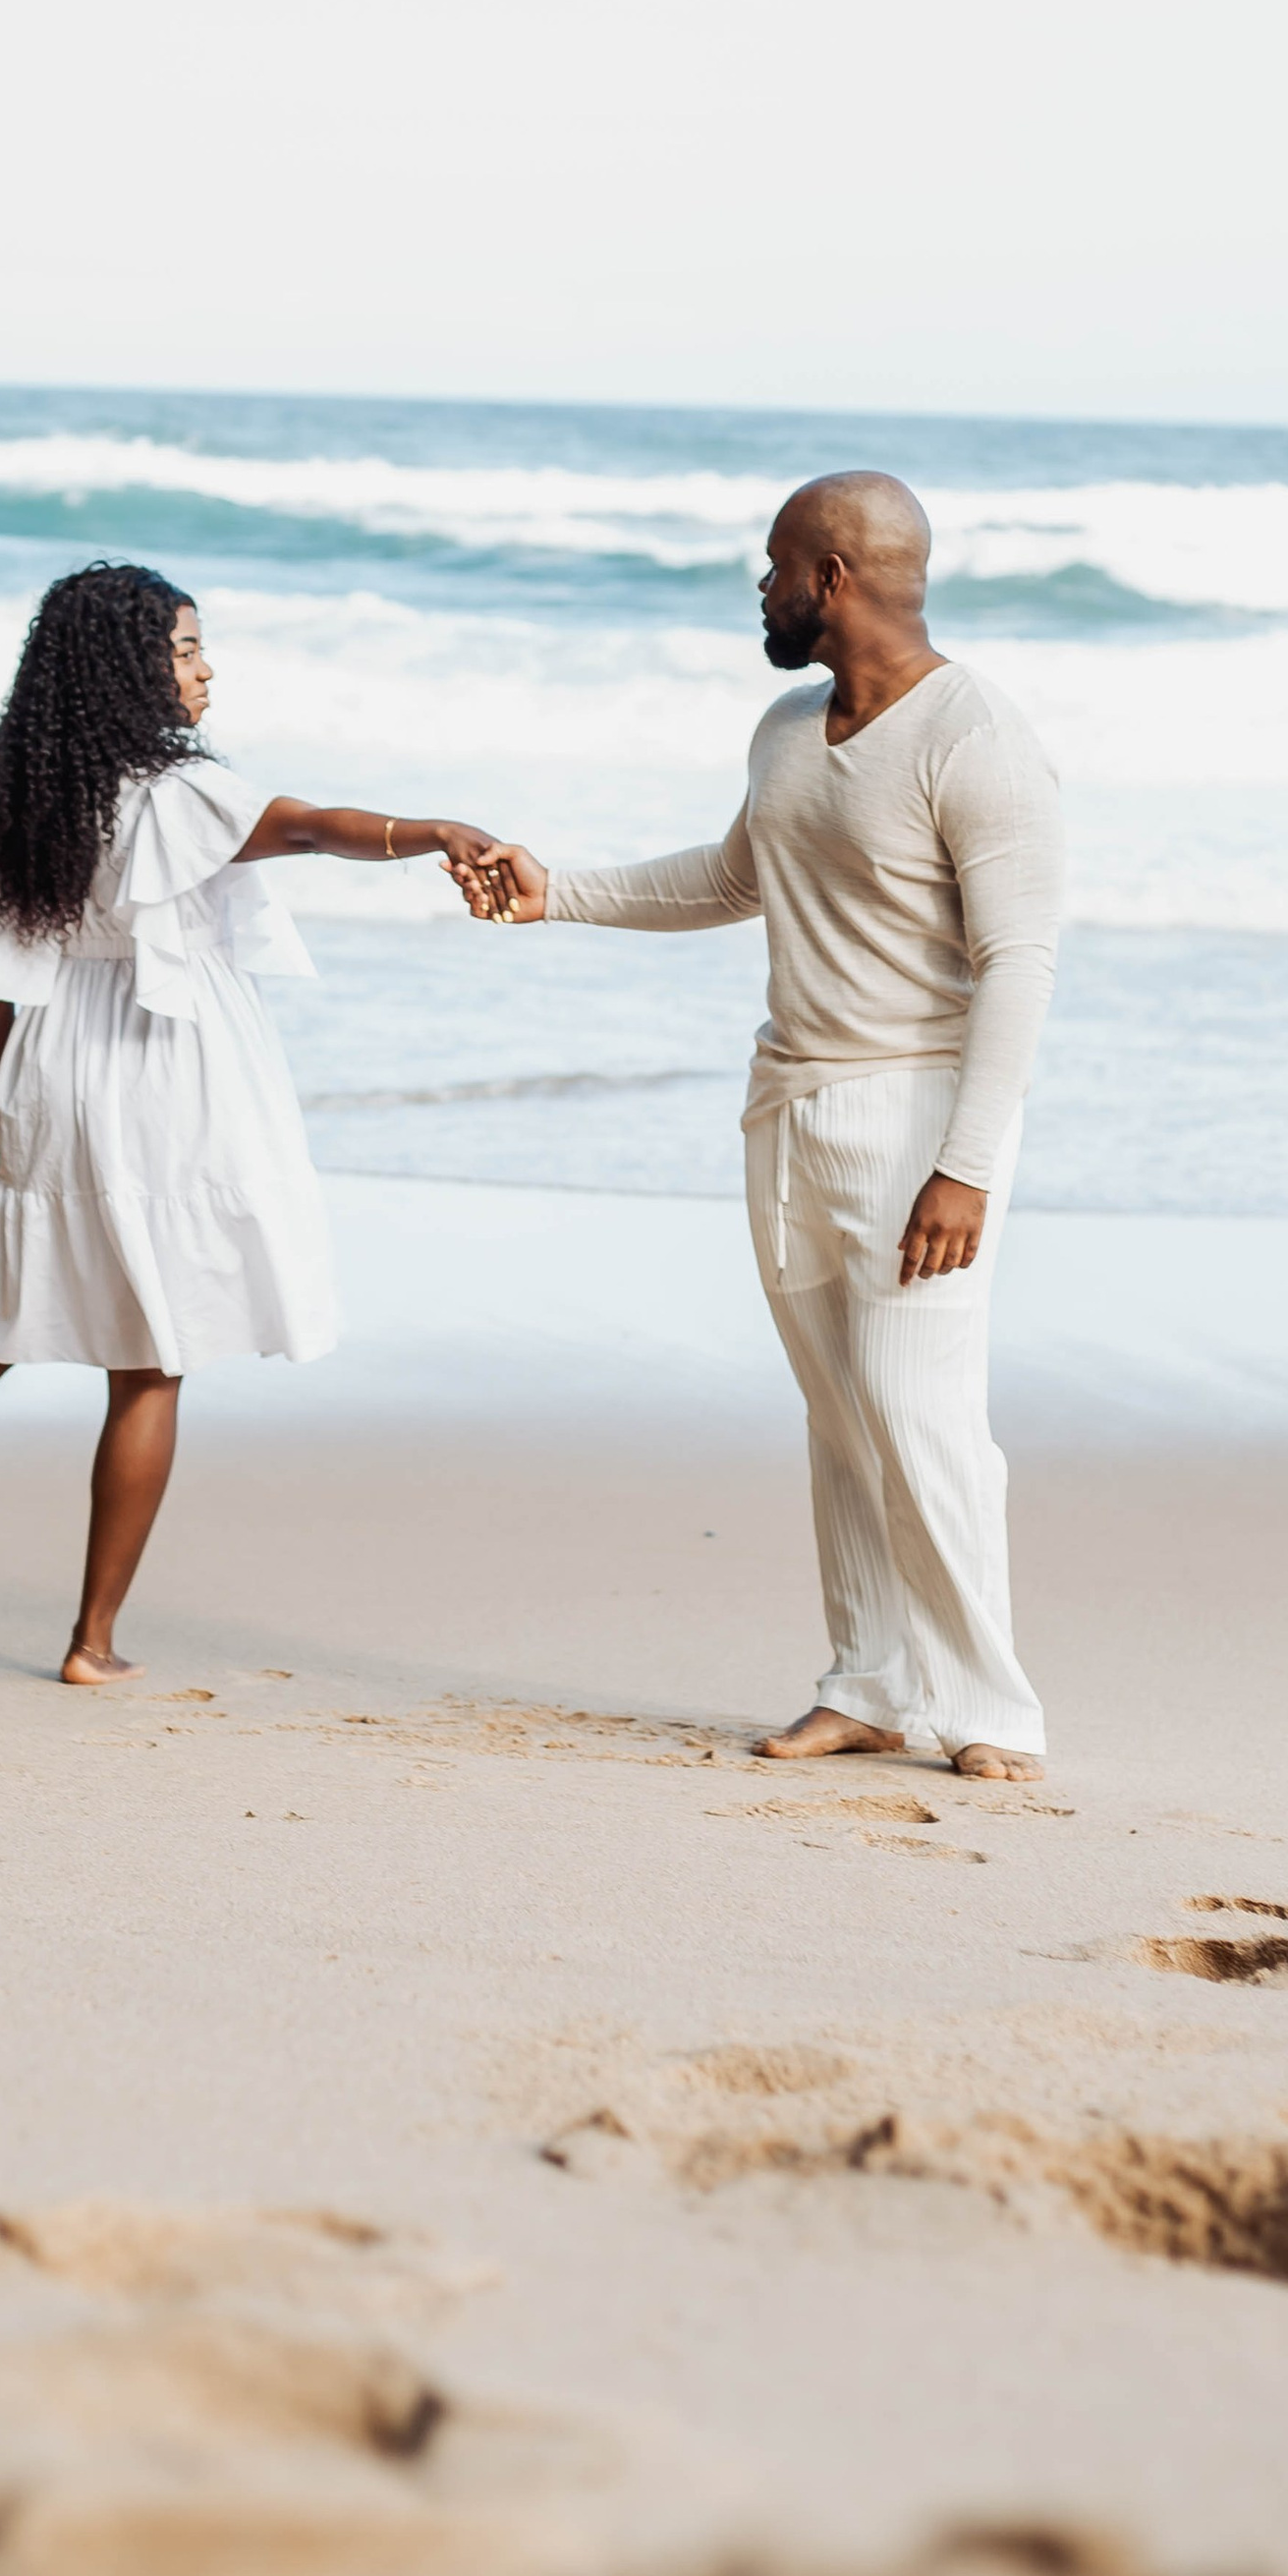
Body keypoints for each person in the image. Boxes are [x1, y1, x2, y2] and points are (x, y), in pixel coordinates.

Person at [0, 561, 505, 1685]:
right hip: (170, 1071)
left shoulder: (16, 795)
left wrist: (13, 1100)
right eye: (184, 648)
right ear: (131, 668)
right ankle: (91, 1643)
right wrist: (436, 830)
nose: (205, 667)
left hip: (52, 1067)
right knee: (151, 1362)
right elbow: (311, 829)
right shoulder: (179, 792)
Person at [458, 473, 1062, 1781]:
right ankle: (870, 1683)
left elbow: (1019, 962)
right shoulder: (788, 727)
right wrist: (552, 893)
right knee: (841, 1416)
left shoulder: (980, 737)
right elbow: (737, 875)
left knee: (922, 1408)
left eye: (775, 566)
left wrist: (965, 1165)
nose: (762, 590)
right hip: (786, 1106)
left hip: (920, 1121)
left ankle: (994, 1708)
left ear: (834, 575)